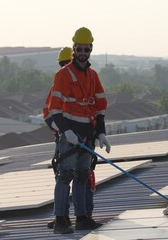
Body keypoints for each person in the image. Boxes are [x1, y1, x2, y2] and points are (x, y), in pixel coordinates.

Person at [45, 27, 111, 234]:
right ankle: (61, 221)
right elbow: (54, 109)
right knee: (65, 175)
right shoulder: (63, 75)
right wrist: (66, 131)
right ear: (74, 48)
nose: (83, 52)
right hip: (71, 135)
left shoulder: (92, 76)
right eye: (79, 49)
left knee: (83, 175)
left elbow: (99, 108)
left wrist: (101, 132)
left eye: (86, 49)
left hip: (88, 134)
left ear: (91, 48)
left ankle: (83, 218)